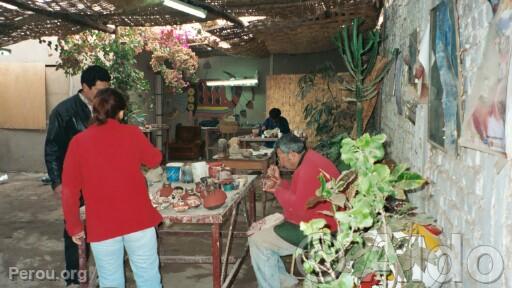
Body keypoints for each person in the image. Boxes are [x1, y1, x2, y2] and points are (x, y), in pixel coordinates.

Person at [62, 88, 163, 287]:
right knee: (148, 277)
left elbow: (69, 190)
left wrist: (74, 226)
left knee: (110, 281)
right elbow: (154, 160)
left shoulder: (78, 142)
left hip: (102, 224)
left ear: (94, 110)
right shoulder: (132, 134)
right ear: (121, 112)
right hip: (139, 221)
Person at [44, 65, 110, 286]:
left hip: (102, 181)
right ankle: (75, 277)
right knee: (74, 229)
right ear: (85, 87)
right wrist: (57, 182)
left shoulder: (106, 107)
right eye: (99, 90)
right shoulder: (64, 112)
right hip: (75, 181)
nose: (103, 95)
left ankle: (105, 273)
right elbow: (52, 148)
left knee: (103, 226)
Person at [248, 134, 340, 288]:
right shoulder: (311, 159)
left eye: (280, 157)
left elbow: (300, 209)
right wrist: (280, 184)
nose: (279, 162)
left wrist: (277, 189)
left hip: (321, 232)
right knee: (263, 232)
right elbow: (301, 193)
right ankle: (286, 282)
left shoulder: (307, 169)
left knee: (257, 239)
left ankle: (273, 284)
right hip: (322, 221)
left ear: (292, 155)